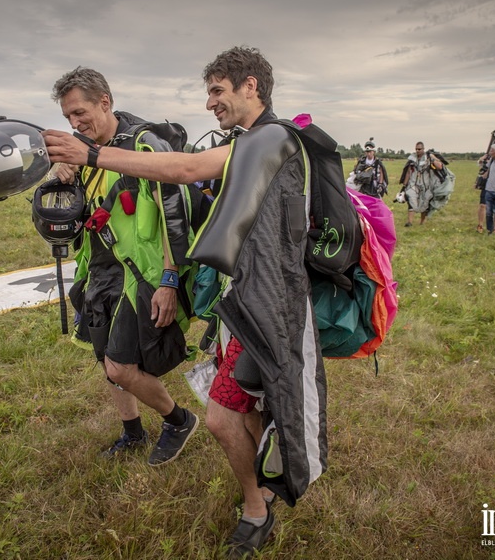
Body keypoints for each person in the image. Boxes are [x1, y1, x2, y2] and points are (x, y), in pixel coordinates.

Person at [45, 46, 325, 558]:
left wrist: (88, 153)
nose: (209, 103)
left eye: (217, 91)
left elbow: (186, 168)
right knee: (252, 402)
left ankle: (256, 509)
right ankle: (265, 486)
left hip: (271, 303)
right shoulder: (247, 142)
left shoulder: (274, 138)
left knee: (220, 416)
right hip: (241, 298)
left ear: (251, 87)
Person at [50, 66, 199, 466]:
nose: (75, 123)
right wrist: (62, 176)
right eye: (68, 117)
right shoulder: (80, 154)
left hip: (142, 273)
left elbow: (175, 214)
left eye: (80, 112)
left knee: (120, 365)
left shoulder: (144, 145)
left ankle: (178, 420)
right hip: (98, 268)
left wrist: (170, 279)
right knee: (106, 360)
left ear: (105, 102)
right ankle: (132, 431)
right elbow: (69, 215)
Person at [399, 142, 454, 226]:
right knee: (411, 199)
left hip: (426, 185)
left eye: (419, 149)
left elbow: (439, 167)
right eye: (416, 149)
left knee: (424, 203)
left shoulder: (428, 158)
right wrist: (404, 186)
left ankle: (422, 222)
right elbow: (408, 173)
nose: (417, 151)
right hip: (413, 184)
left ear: (423, 149)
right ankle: (409, 222)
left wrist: (432, 157)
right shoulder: (412, 159)